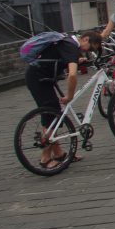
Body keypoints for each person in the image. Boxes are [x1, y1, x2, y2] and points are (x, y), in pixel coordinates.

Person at [24, 30, 101, 169]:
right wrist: (69, 96)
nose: (89, 51)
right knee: (51, 114)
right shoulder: (72, 47)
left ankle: (59, 154)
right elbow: (72, 75)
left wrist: (77, 60)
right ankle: (45, 159)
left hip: (41, 77)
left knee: (51, 113)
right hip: (38, 79)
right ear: (85, 39)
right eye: (90, 48)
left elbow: (57, 55)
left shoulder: (68, 41)